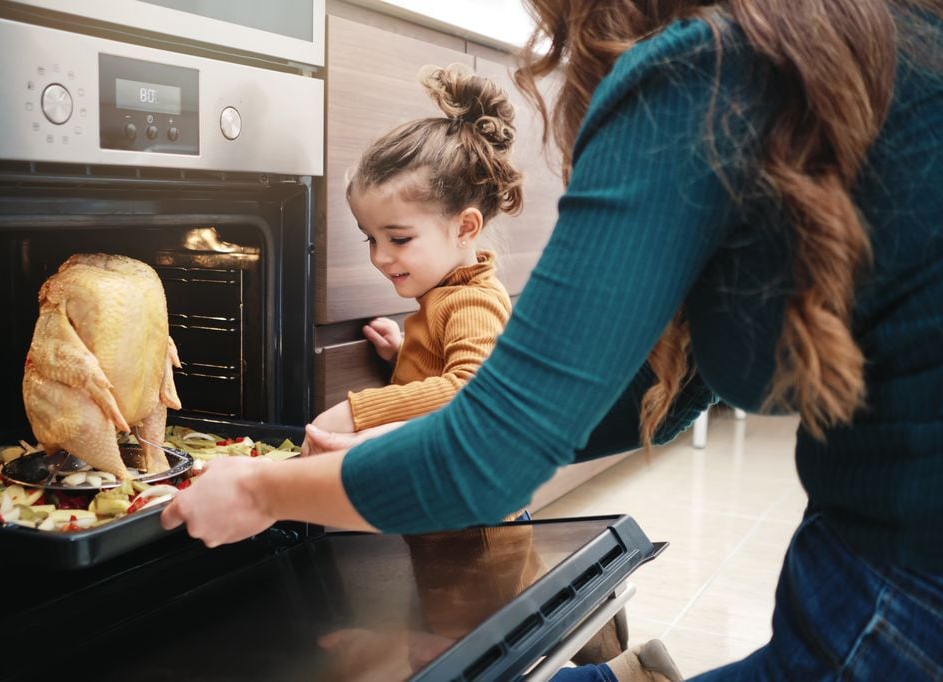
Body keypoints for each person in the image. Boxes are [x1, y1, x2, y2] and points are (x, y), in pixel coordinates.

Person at [163, 0, 943, 679]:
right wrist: (422, 435)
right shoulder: (847, 40)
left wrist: (262, 490)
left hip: (910, 575)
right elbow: (647, 396)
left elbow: (489, 453)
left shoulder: (701, 75)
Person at [300, 63, 522, 455]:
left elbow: (470, 386)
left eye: (399, 239)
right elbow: (445, 367)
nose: (381, 257)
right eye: (371, 238)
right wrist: (404, 352)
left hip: (468, 514)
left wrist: (359, 411)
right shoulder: (447, 292)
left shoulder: (472, 301)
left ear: (465, 228)